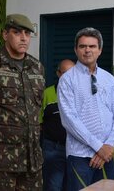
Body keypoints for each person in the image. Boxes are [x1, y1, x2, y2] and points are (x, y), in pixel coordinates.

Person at [0, 14, 45, 190]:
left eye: (27, 34)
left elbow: (36, 111)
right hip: (0, 161)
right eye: (17, 32)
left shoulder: (37, 67)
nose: (23, 38)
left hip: (32, 161)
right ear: (5, 35)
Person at [57, 27, 114, 191]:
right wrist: (98, 147)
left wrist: (108, 146)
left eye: (92, 46)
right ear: (76, 49)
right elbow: (69, 120)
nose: (87, 50)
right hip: (80, 156)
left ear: (100, 50)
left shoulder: (109, 79)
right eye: (82, 46)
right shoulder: (67, 80)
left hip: (107, 155)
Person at [39, 59, 75, 191]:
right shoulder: (47, 93)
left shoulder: (81, 94)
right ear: (58, 74)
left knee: (73, 185)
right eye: (65, 73)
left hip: (75, 149)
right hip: (53, 148)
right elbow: (39, 122)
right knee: (54, 186)